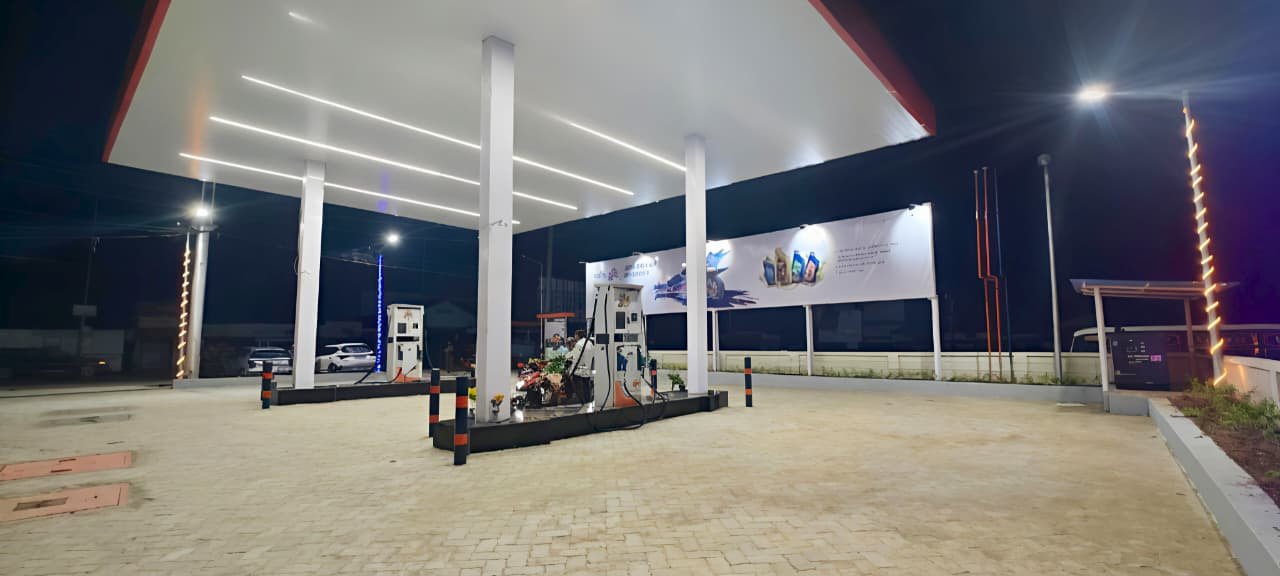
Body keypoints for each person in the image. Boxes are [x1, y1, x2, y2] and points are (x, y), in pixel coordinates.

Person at [566, 330, 592, 403]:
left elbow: (576, 359)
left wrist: (571, 371)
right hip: (587, 368)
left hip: (579, 369)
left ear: (577, 335)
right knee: (586, 386)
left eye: (575, 335)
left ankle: (583, 402)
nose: (575, 337)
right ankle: (587, 401)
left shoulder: (578, 344)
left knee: (578, 387)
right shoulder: (589, 343)